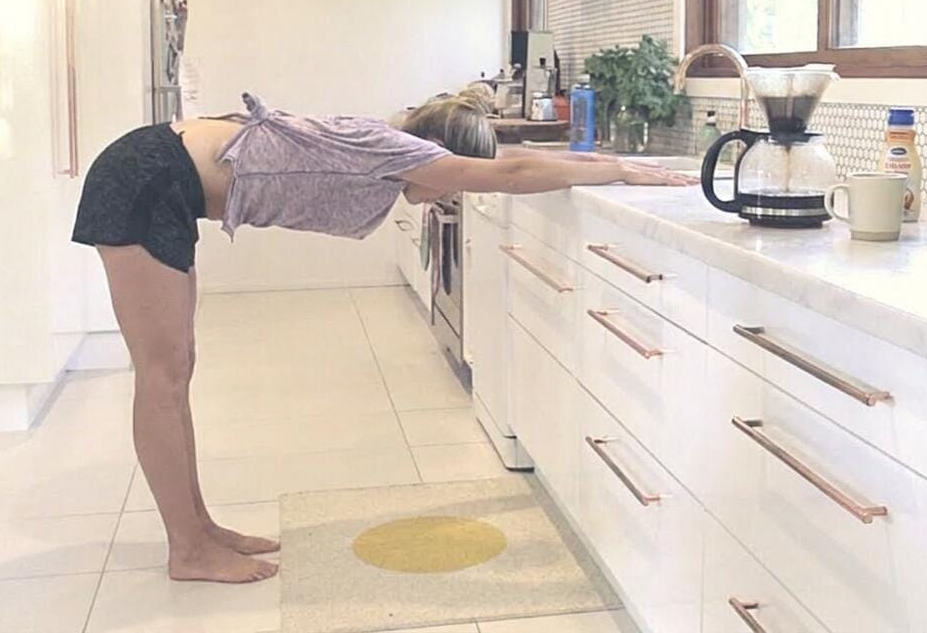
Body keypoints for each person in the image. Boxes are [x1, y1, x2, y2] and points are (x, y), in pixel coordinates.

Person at [70, 92, 695, 584]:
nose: (448, 191)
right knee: (162, 374)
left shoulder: (391, 143)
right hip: (145, 178)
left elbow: (510, 164)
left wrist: (615, 168)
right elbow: (515, 171)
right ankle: (189, 549)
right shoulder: (396, 152)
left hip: (159, 176)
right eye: (453, 177)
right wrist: (620, 168)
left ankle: (201, 530)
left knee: (177, 367)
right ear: (436, 152)